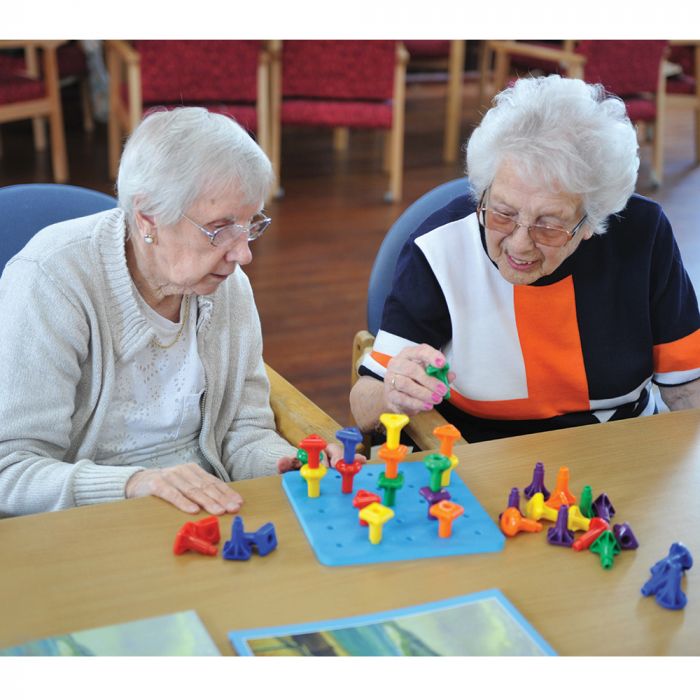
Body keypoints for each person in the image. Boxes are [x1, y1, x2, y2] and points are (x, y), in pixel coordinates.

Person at [0, 107, 356, 518]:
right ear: (148, 217)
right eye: (220, 227)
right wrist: (135, 483)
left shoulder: (224, 284)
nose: (243, 253)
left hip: (209, 511)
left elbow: (244, 430)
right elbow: (11, 471)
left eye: (250, 223)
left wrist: (288, 465)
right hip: (85, 528)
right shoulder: (53, 279)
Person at [351, 75, 700, 443]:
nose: (519, 244)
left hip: (620, 452)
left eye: (549, 225)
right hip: (480, 456)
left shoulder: (641, 236)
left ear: (592, 219)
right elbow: (364, 402)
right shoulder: (442, 246)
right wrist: (393, 390)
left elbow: (686, 386)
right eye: (502, 213)